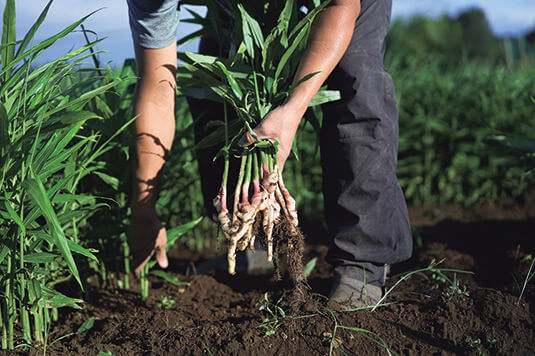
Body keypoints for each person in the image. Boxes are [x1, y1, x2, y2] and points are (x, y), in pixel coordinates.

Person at [126, 0, 412, 307]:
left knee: (354, 78)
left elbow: (342, 5)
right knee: (216, 77)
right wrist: (143, 210)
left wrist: (293, 109)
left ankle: (363, 261)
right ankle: (253, 242)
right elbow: (157, 96)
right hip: (234, 8)